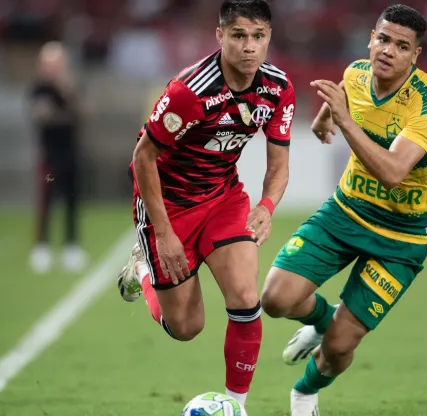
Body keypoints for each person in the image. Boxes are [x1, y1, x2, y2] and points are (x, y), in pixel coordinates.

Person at [259, 5, 427, 415]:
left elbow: (394, 172)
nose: (388, 51)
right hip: (347, 211)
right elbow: (343, 101)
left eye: (402, 46)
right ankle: (324, 316)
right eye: (383, 40)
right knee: (274, 299)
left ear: (415, 56)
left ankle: (304, 392)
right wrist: (324, 119)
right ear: (371, 38)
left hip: (404, 235)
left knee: (339, 347)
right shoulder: (356, 73)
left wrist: (343, 122)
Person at [116, 0, 295, 408]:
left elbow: (279, 167)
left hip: (223, 197)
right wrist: (162, 233)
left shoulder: (278, 88)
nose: (249, 47)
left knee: (246, 298)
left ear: (269, 38)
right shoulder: (189, 92)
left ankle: (237, 405)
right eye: (238, 36)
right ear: (220, 36)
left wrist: (266, 206)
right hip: (169, 206)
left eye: (258, 36)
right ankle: (142, 269)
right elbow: (142, 159)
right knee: (186, 326)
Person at [29, 41, 88, 274]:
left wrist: (67, 94)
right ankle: (41, 246)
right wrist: (66, 114)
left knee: (73, 198)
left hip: (70, 152)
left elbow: (83, 112)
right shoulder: (39, 88)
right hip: (49, 154)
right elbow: (42, 115)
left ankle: (71, 245)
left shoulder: (71, 86)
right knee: (46, 198)